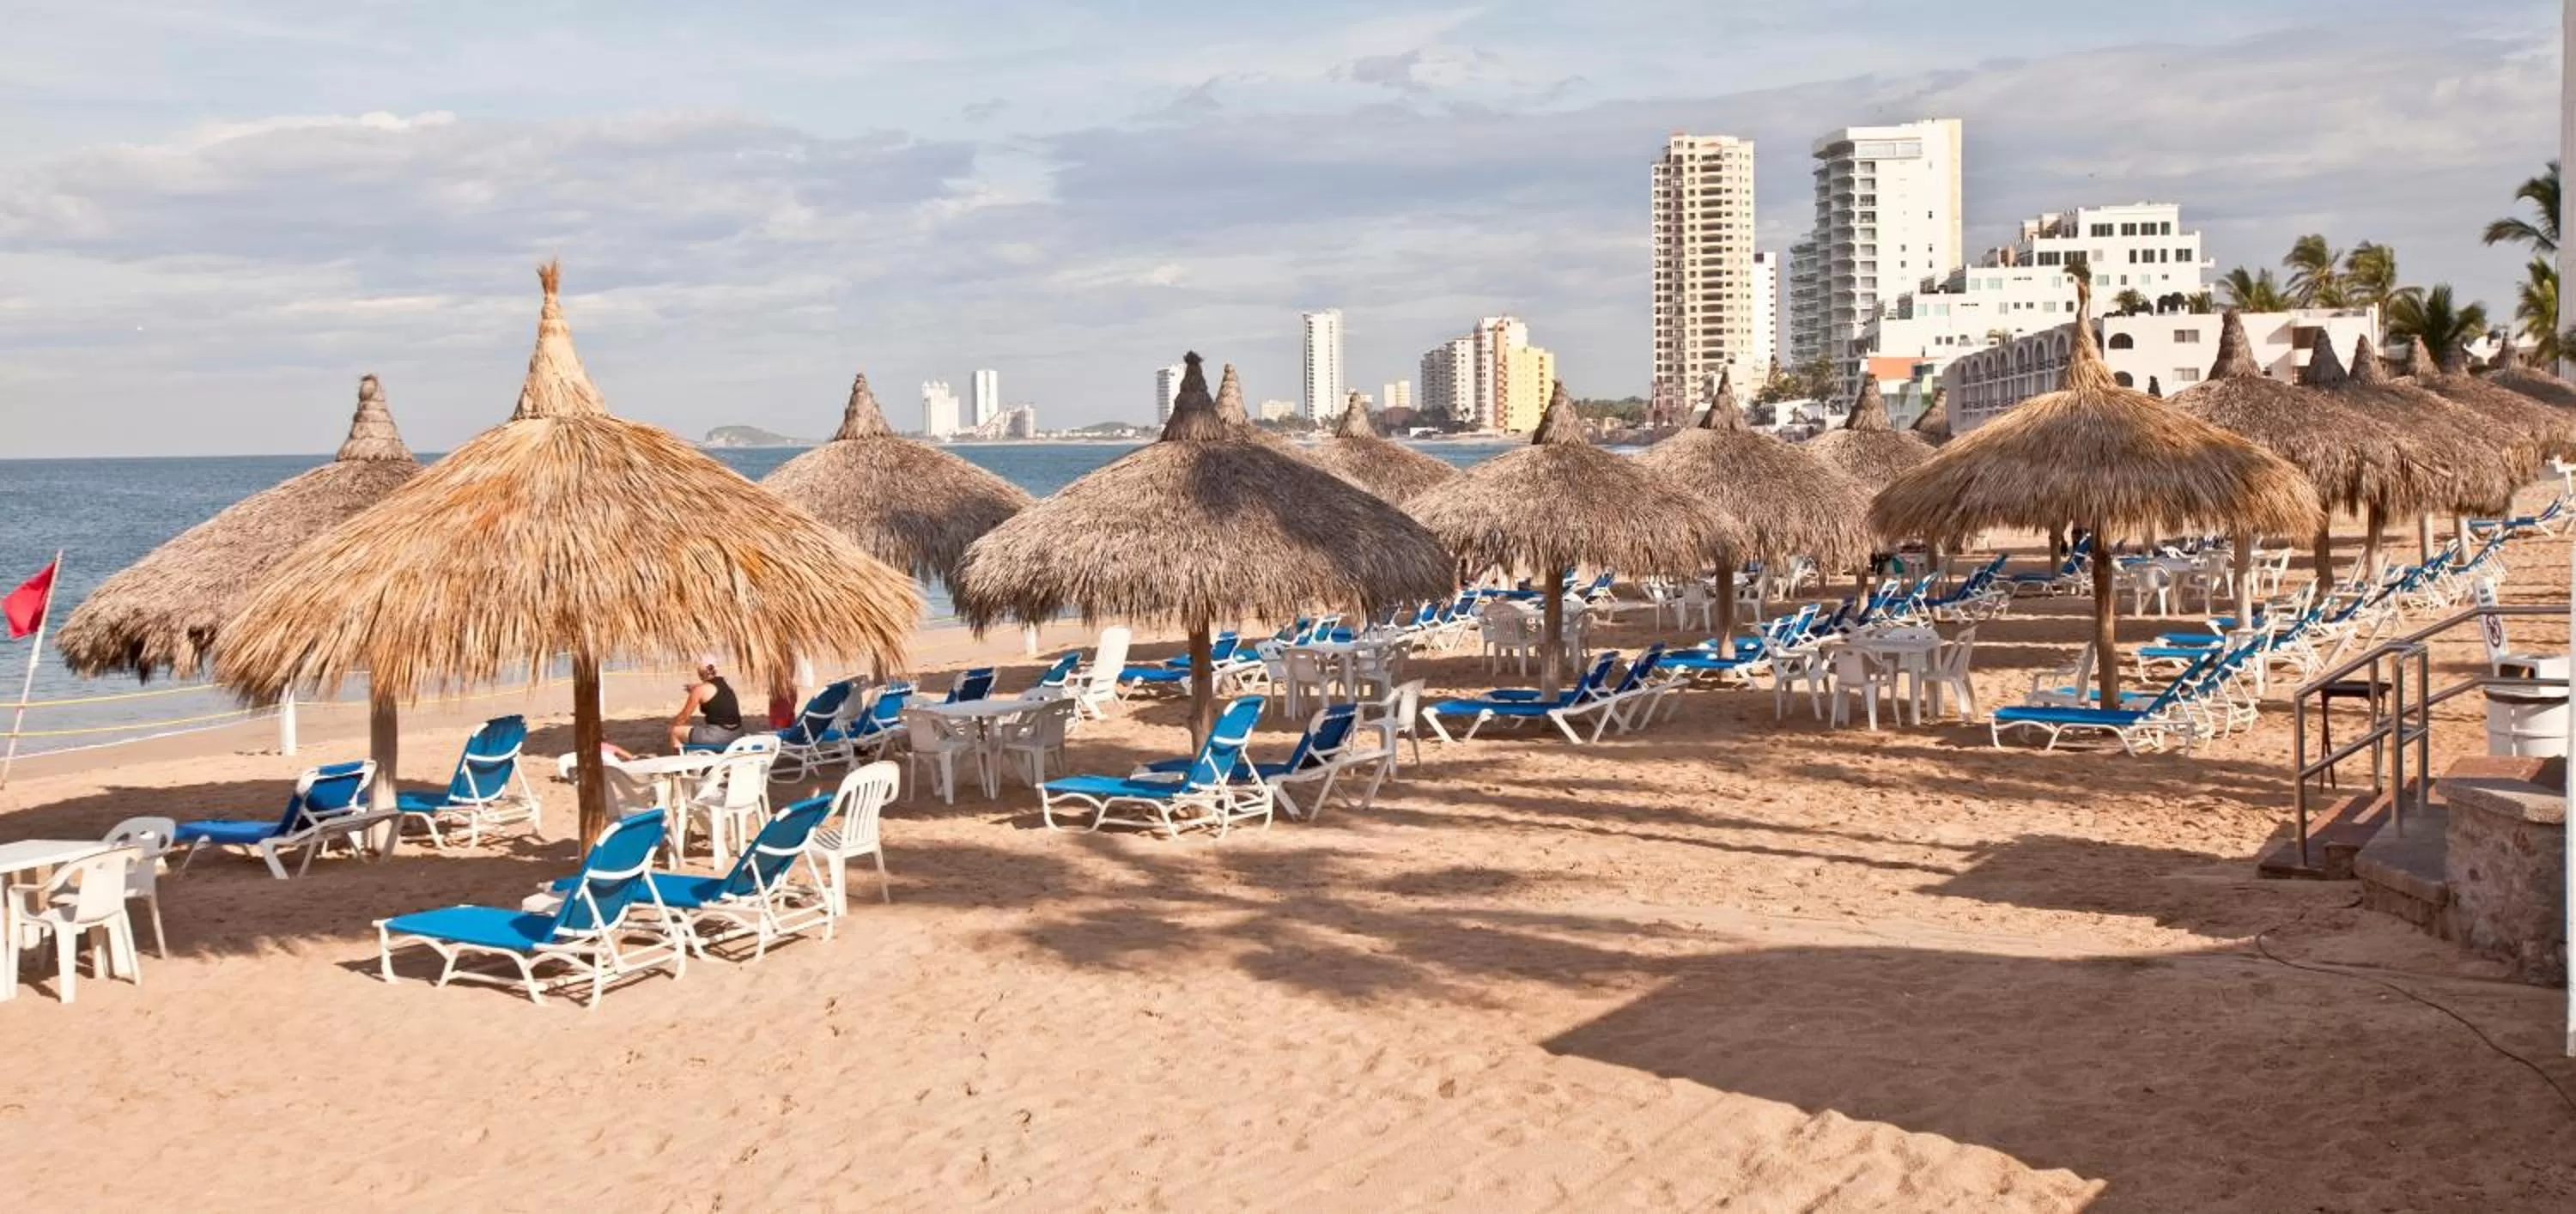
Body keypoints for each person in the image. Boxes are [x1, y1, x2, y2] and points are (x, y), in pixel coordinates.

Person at [668, 655, 745, 750]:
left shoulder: (699, 690)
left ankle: (678, 759)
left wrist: (672, 726)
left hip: (719, 737)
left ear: (700, 673)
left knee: (675, 731)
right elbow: (713, 690)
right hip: (738, 734)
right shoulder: (726, 684)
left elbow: (684, 717)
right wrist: (696, 688)